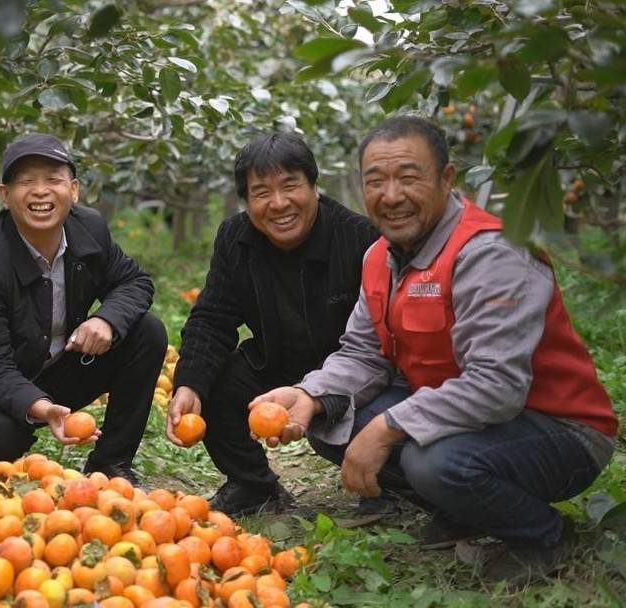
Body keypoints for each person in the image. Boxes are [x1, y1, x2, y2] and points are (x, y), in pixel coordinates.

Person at [257, 116, 618, 584]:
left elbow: (498, 386)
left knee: (433, 462)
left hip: (559, 428)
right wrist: (310, 394)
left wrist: (388, 427)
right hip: (474, 417)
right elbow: (363, 353)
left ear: (446, 180)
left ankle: (543, 535)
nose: (391, 195)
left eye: (409, 177)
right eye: (376, 181)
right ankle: (467, 511)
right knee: (331, 420)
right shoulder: (379, 258)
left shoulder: (491, 253)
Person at [0, 133, 167, 482]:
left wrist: (107, 320)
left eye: (53, 179)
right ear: (5, 197)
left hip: (50, 366)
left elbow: (135, 282)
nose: (41, 191)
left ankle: (110, 464)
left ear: (74, 190)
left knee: (147, 332)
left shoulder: (89, 229)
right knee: (1, 435)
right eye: (26, 182)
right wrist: (43, 409)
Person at [164, 132, 379, 516]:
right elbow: (213, 317)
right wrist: (189, 382)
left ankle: (383, 486)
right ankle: (253, 486)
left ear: (314, 186)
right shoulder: (236, 238)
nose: (278, 204)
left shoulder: (359, 238)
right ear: (246, 202)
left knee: (379, 407)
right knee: (212, 379)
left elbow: (382, 341)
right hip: (276, 361)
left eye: (290, 186)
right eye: (261, 193)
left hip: (351, 370)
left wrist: (323, 395)